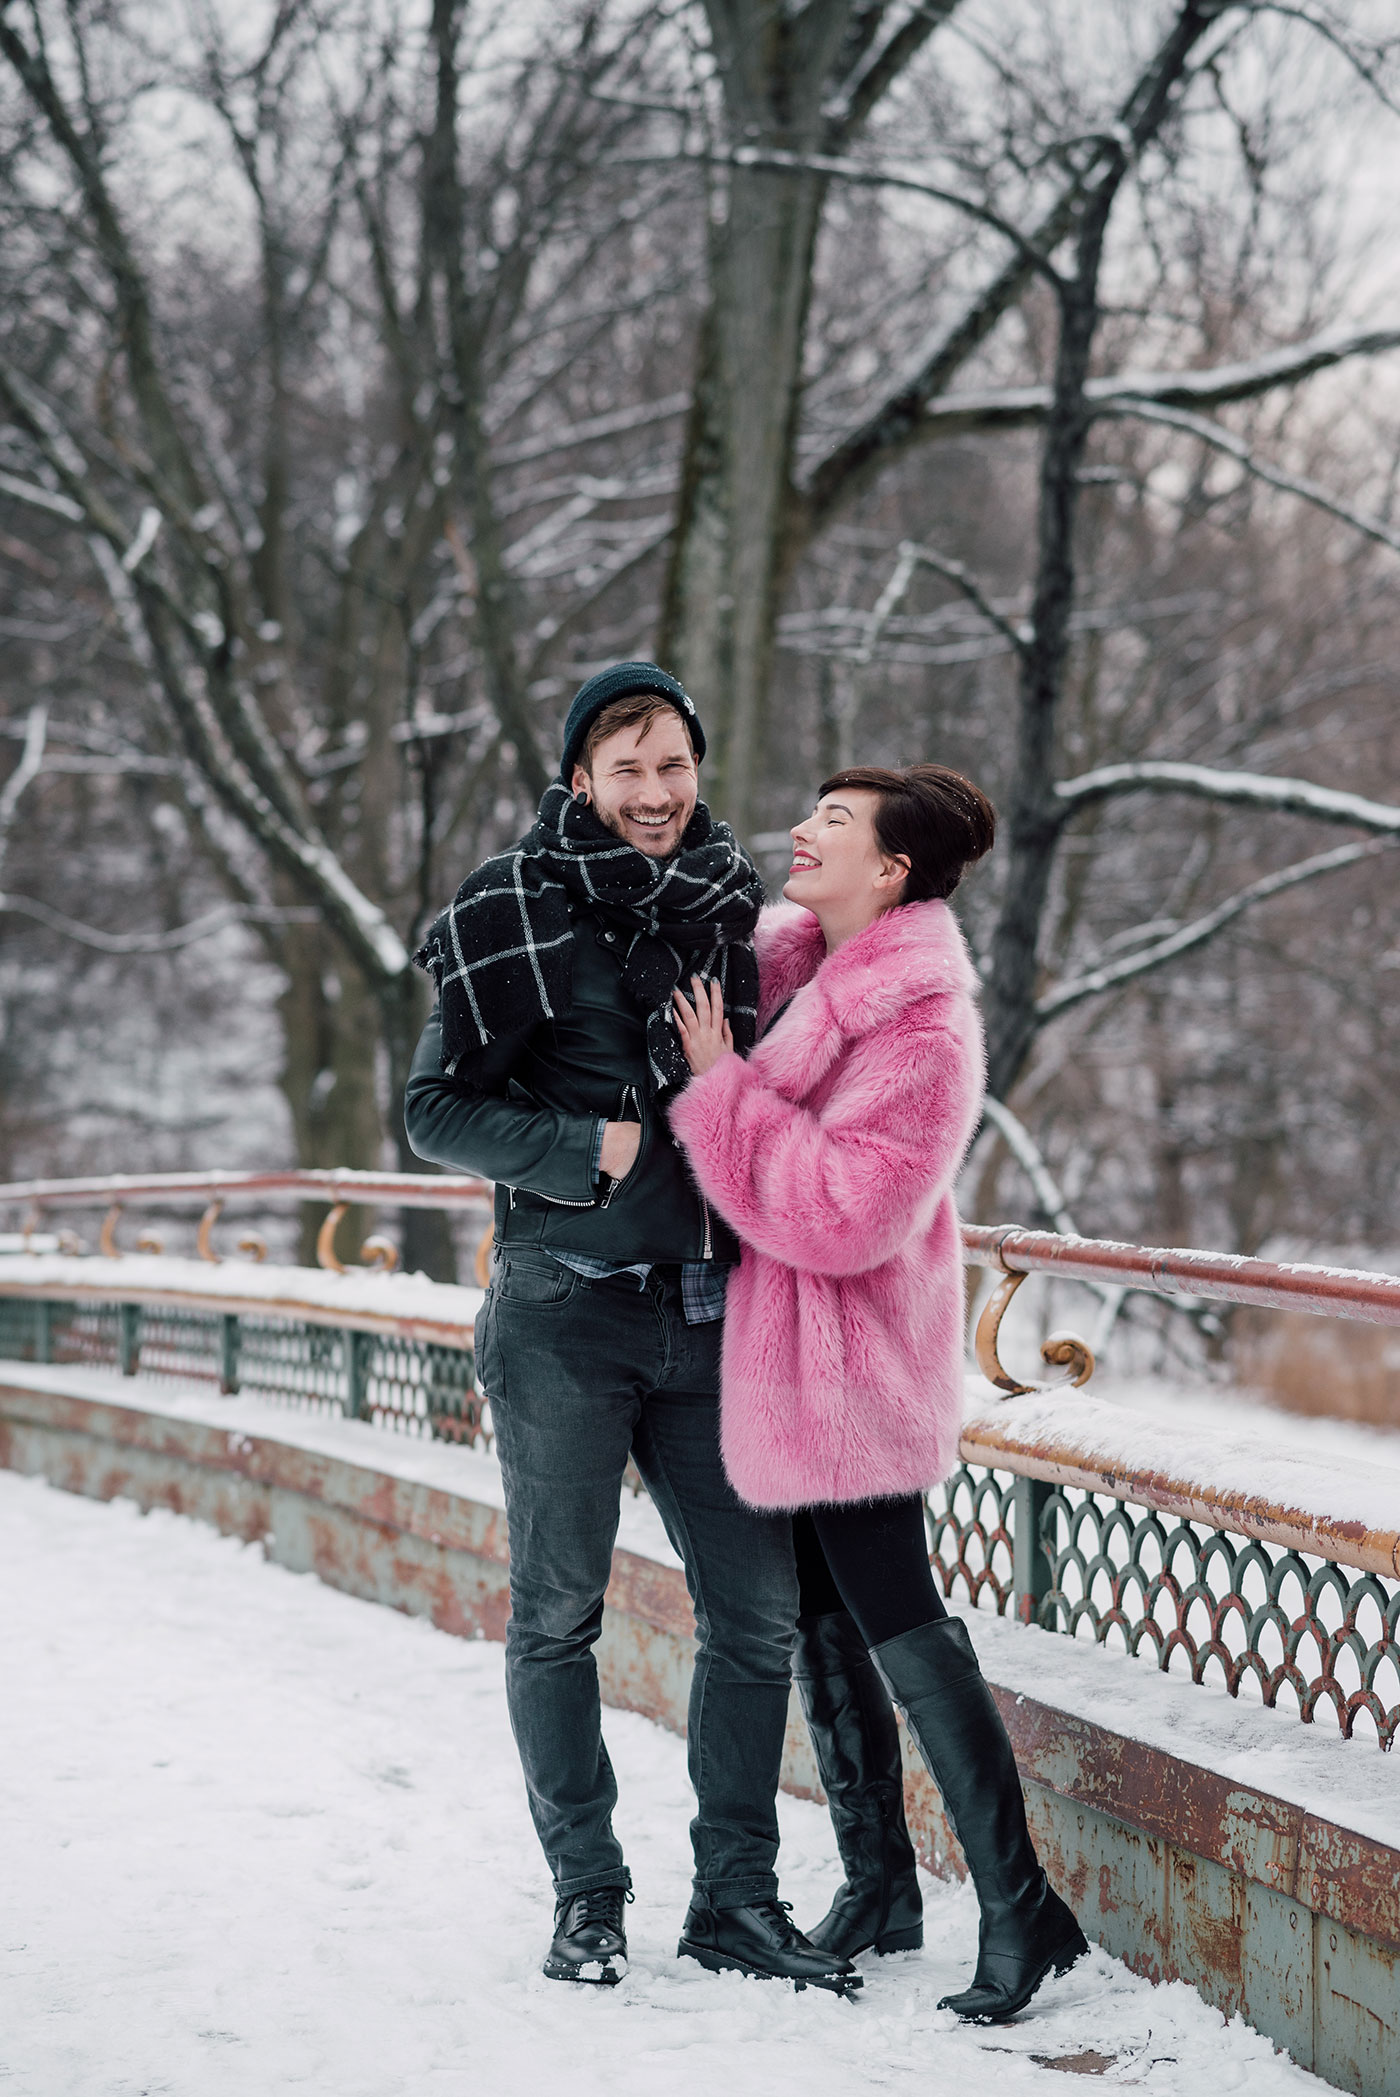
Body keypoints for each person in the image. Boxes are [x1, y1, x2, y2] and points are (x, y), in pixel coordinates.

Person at [404, 663, 859, 1998]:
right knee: (556, 1616)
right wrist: (573, 1148)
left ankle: (734, 1900)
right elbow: (432, 1111)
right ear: (579, 783)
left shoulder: (740, 918)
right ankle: (588, 1899)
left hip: (710, 1320)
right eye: (627, 770)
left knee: (758, 1615)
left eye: (673, 766)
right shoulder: (506, 912)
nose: (654, 795)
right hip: (563, 1317)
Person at [668, 762, 1089, 2024]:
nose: (798, 832)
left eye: (832, 824)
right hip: (785, 1357)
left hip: (853, 1361)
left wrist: (720, 1090)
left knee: (897, 1613)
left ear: (891, 870)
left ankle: (1020, 1906)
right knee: (821, 1617)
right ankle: (883, 1885)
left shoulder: (920, 1024)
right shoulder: (791, 974)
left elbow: (847, 1213)